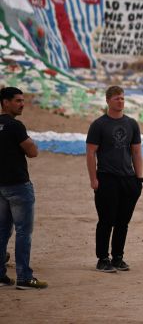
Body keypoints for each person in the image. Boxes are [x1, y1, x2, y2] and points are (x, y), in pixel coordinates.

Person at [86, 86, 143, 273]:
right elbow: (90, 153)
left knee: (123, 222)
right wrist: (93, 179)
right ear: (108, 100)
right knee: (106, 220)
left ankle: (118, 257)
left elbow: (136, 151)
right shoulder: (99, 125)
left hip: (129, 179)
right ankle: (102, 258)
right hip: (107, 178)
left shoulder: (132, 124)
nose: (121, 101)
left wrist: (139, 177)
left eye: (122, 98)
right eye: (117, 98)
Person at [0, 87, 47, 290]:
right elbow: (32, 151)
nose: (22, 104)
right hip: (18, 185)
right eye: (17, 100)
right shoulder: (15, 126)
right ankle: (24, 277)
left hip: (0, 185)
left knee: (2, 232)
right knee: (23, 232)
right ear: (5, 102)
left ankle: (1, 275)